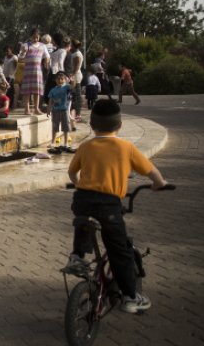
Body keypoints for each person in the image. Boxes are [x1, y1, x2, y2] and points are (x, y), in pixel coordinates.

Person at [64, 99, 168, 313]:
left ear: (91, 125)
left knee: (84, 223)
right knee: (119, 250)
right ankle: (130, 296)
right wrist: (160, 184)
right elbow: (152, 172)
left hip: (82, 199)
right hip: (109, 204)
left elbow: (72, 172)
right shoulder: (126, 147)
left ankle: (77, 256)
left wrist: (79, 184)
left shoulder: (86, 146)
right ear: (119, 126)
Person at [19, 29, 50, 115]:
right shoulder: (26, 45)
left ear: (39, 37)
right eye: (33, 37)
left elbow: (47, 56)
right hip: (28, 71)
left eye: (37, 37)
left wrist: (46, 61)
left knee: (37, 91)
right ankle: (27, 109)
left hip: (38, 71)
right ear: (30, 37)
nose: (35, 39)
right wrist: (23, 51)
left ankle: (36, 109)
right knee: (27, 91)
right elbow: (20, 58)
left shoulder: (43, 46)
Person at [47, 72, 75, 153]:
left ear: (65, 80)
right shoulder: (53, 90)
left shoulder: (66, 87)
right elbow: (50, 101)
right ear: (55, 80)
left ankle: (66, 143)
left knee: (66, 128)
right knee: (55, 127)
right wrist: (48, 109)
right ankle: (52, 142)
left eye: (62, 79)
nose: (60, 80)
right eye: (58, 79)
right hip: (55, 111)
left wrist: (72, 81)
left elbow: (73, 86)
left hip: (64, 110)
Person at [68, 39, 84, 121]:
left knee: (77, 96)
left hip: (76, 77)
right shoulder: (73, 53)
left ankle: (78, 114)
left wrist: (72, 75)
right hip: (73, 76)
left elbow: (76, 67)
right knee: (74, 96)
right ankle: (74, 113)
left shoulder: (77, 54)